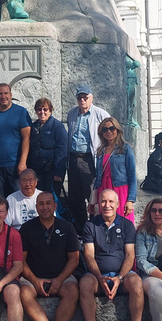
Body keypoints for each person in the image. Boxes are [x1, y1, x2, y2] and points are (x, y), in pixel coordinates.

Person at [80, 189, 145, 321]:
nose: (106, 205)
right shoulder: (90, 225)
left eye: (110, 202)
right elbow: (88, 255)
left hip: (122, 275)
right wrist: (99, 276)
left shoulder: (127, 225)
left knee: (137, 283)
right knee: (85, 283)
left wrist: (120, 277)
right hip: (97, 275)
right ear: (98, 204)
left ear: (117, 204)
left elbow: (130, 255)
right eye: (103, 201)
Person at [18, 192, 80, 321]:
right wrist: (34, 280)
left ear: (55, 206)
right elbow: (21, 261)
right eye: (41, 204)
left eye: (48, 203)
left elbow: (74, 259)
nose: (45, 207)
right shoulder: (26, 228)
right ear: (36, 207)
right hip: (33, 278)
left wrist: (60, 279)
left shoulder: (67, 226)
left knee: (73, 291)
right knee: (23, 293)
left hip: (62, 277)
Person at [66, 83, 110, 234]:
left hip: (89, 160)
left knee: (91, 195)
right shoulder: (72, 114)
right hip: (73, 158)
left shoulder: (100, 114)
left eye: (85, 97)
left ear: (91, 98)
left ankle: (96, 228)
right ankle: (81, 230)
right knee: (75, 197)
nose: (82, 101)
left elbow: (110, 135)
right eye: (80, 98)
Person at [0, 83, 32, 197]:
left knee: (18, 200)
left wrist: (23, 162)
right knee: (1, 202)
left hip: (16, 166)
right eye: (0, 93)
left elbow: (27, 138)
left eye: (5, 93)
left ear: (11, 95)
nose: (3, 96)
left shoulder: (21, 112)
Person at [93, 117, 137, 223]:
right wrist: (93, 200)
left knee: (122, 220)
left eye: (112, 128)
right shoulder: (100, 151)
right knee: (104, 220)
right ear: (101, 133)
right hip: (103, 188)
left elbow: (132, 175)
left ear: (117, 130)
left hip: (120, 189)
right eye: (105, 129)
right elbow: (97, 175)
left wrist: (130, 200)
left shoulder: (125, 148)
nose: (109, 132)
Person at [28, 97, 67, 196]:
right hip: (37, 171)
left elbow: (62, 151)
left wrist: (59, 173)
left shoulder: (58, 127)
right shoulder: (33, 126)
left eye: (45, 109)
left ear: (50, 110)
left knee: (51, 198)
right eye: (39, 109)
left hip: (52, 171)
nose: (42, 112)